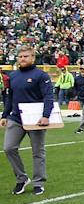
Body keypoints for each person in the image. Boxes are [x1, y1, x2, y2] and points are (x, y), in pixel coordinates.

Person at [1, 45, 53, 195]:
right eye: (20, 57)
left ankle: (39, 182)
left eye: (25, 56)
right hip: (16, 118)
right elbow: (9, 97)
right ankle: (22, 178)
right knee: (9, 148)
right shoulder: (13, 76)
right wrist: (5, 115)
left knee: (38, 151)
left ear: (33, 58)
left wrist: (45, 116)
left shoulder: (41, 76)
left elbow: (48, 96)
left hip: (35, 119)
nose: (22, 59)